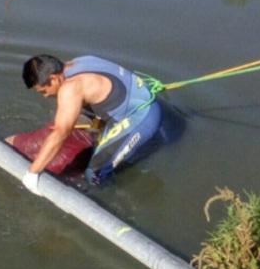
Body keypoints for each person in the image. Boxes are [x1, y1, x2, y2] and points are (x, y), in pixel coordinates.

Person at [19, 54, 162, 194]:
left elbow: (61, 133)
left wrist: (32, 173)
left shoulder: (70, 88)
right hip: (136, 96)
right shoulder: (79, 62)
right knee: (66, 118)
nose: (45, 96)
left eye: (43, 91)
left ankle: (106, 197)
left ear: (54, 78)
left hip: (140, 117)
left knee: (93, 173)